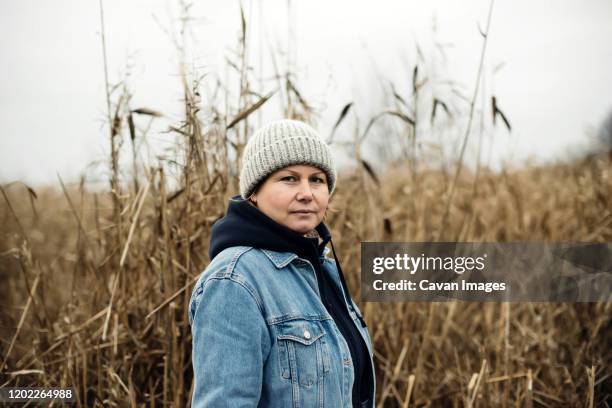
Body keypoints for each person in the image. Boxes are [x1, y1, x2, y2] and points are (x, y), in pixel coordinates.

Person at [188, 119, 375, 407]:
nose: (306, 193)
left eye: (317, 180)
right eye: (289, 178)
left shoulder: (321, 268)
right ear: (254, 191)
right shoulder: (234, 281)